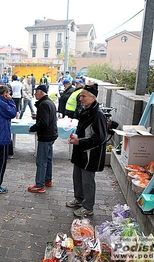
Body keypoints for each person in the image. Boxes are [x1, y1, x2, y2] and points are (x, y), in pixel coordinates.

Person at [67, 83, 107, 217]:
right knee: (77, 177)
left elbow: (100, 138)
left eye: (83, 96)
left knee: (87, 181)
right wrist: (77, 137)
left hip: (90, 154)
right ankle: (79, 199)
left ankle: (88, 207)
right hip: (80, 151)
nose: (80, 99)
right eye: (80, 96)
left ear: (93, 97)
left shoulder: (98, 115)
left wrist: (80, 141)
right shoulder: (86, 110)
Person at [27, 85, 58, 193]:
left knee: (41, 160)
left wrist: (33, 128)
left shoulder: (44, 104)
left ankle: (40, 185)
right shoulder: (49, 102)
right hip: (51, 135)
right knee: (48, 159)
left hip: (45, 136)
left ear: (40, 92)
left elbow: (44, 122)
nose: (34, 94)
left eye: (35, 92)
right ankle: (47, 180)